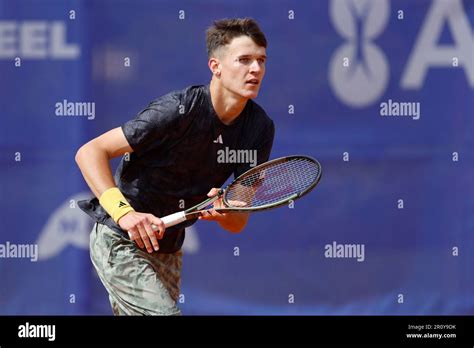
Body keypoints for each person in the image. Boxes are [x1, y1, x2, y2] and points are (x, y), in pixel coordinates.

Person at [75, 17, 275, 315]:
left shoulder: (259, 129)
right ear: (215, 67)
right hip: (120, 239)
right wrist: (125, 214)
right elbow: (90, 151)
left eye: (261, 60)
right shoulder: (177, 111)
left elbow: (238, 221)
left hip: (168, 250)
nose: (256, 69)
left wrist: (224, 210)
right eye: (244, 60)